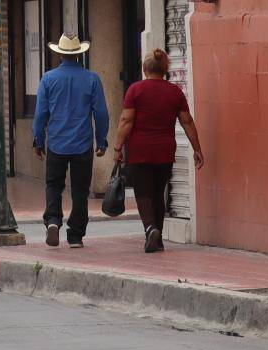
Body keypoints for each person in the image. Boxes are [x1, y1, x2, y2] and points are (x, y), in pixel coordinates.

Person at [112, 49, 205, 253]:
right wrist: (197, 148)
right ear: (165, 69)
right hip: (165, 150)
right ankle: (158, 237)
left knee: (143, 192)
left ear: (144, 68)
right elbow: (187, 122)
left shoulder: (135, 90)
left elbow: (126, 121)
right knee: (157, 192)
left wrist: (117, 148)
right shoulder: (174, 92)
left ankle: (150, 228)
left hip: (140, 149)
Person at [32, 34, 110, 249]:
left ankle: (53, 220)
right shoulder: (92, 79)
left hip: (57, 142)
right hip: (82, 143)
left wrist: (38, 140)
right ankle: (76, 235)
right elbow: (101, 113)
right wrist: (101, 140)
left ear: (60, 54)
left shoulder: (48, 79)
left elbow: (40, 114)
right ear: (79, 55)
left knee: (53, 184)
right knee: (80, 190)